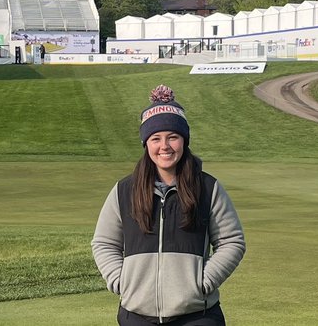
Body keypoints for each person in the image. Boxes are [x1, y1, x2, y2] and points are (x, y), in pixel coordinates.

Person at [92, 85, 246, 325]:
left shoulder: (208, 188)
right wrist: (121, 282)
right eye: (156, 138)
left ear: (184, 140)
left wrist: (203, 283)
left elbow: (232, 241)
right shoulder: (124, 190)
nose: (164, 146)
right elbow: (104, 243)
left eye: (172, 137)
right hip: (136, 315)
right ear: (146, 143)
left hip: (197, 316)